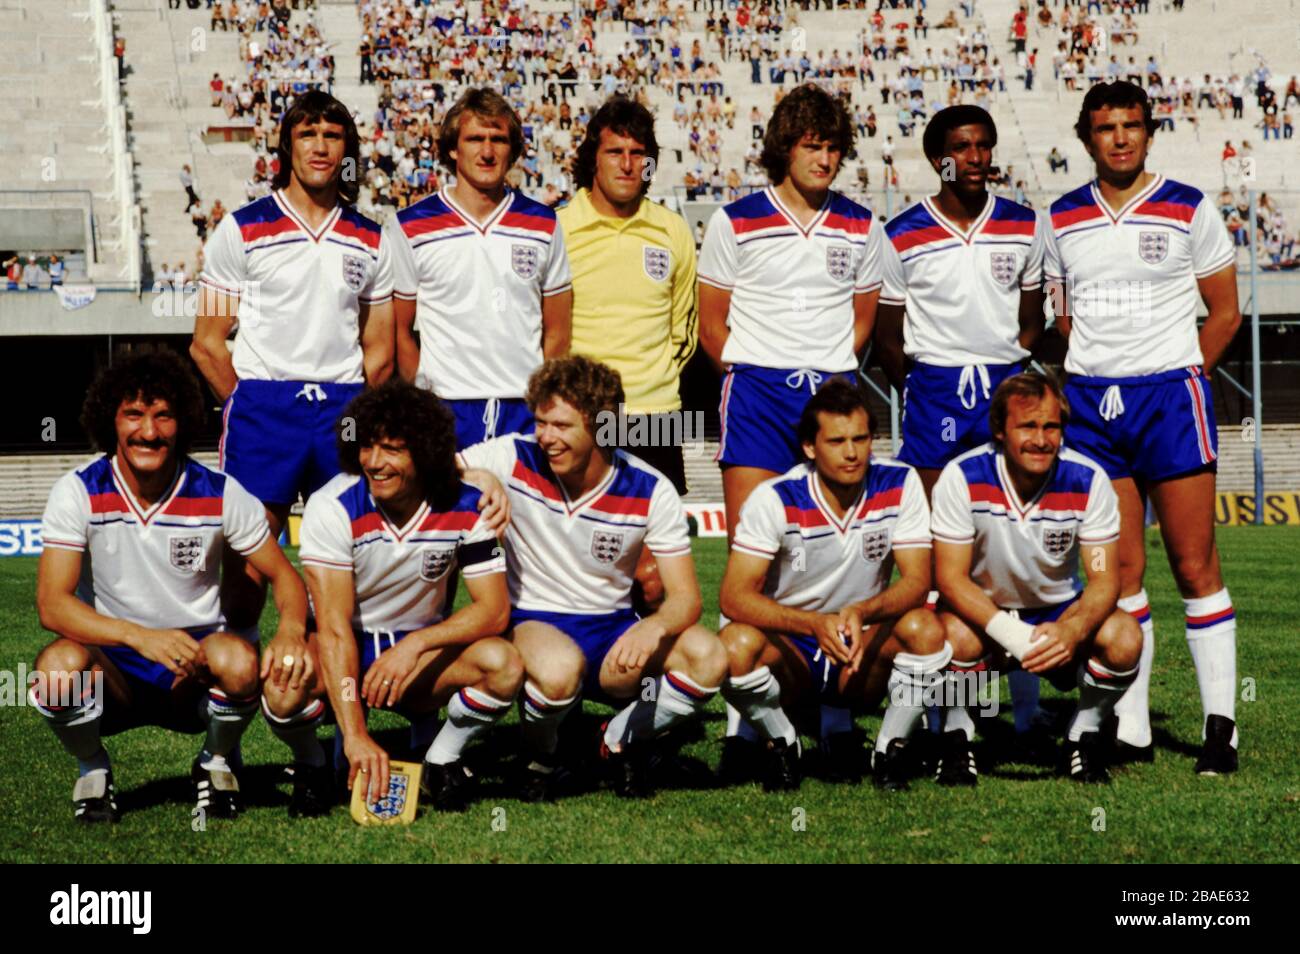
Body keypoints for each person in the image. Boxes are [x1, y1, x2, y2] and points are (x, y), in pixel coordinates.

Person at [1043, 81, 1242, 774]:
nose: (1120, 137)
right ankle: (1131, 727)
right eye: (1106, 127)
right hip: (1094, 407)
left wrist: (1181, 372)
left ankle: (1222, 729)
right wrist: (1099, 372)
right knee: (1121, 571)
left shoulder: (1189, 206)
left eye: (1131, 125)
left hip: (1170, 401)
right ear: (1087, 137)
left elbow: (1224, 312)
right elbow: (1062, 318)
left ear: (1149, 133)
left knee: (1194, 565)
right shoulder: (1061, 217)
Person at [32, 351, 309, 823]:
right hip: (115, 666)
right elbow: (52, 606)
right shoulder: (78, 490)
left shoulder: (219, 492)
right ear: (110, 419)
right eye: (134, 415)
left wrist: (291, 629)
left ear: (183, 421)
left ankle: (215, 762)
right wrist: (139, 636)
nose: (149, 431)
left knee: (240, 661)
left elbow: (285, 576)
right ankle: (92, 769)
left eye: (164, 415)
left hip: (194, 668)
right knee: (56, 671)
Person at [698, 84, 884, 771]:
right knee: (755, 556)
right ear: (784, 147)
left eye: (834, 148)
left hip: (831, 394)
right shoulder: (735, 220)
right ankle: (743, 729)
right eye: (812, 145)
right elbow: (711, 325)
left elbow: (864, 320)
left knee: (835, 556)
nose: (824, 159)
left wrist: (829, 375)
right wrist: (757, 374)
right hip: (757, 392)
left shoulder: (862, 225)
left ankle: (834, 716)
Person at [457, 356, 728, 800]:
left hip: (612, 631)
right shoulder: (512, 454)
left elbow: (686, 599)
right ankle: (540, 759)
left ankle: (613, 738)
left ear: (604, 426)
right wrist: (477, 474)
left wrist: (653, 627)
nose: (546, 437)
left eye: (561, 426)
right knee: (559, 670)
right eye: (541, 422)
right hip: (534, 623)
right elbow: (432, 466)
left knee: (708, 656)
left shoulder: (650, 487)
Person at [191, 90, 395, 642]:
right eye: (308, 135)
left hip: (343, 408)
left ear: (347, 149)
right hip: (265, 407)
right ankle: (238, 675)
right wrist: (247, 400)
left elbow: (380, 347)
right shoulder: (239, 229)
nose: (321, 147)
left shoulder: (373, 238)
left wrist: (359, 407)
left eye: (332, 136)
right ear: (287, 146)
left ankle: (330, 682)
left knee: (349, 554)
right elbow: (207, 342)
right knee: (249, 561)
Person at [263, 381, 521, 815]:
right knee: (282, 684)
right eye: (367, 447)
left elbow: (494, 611)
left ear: (425, 451)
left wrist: (415, 645)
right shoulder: (333, 506)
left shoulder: (469, 505)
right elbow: (333, 628)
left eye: (392, 449)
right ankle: (312, 764)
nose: (375, 463)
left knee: (504, 664)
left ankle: (441, 758)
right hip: (347, 645)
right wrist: (358, 735)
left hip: (416, 658)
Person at [873, 105, 1047, 738]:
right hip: (936, 393)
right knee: (933, 552)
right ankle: (953, 712)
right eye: (961, 148)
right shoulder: (901, 232)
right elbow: (887, 338)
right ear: (937, 159)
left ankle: (1024, 706)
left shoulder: (1027, 225)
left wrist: (1007, 367)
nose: (975, 158)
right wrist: (924, 386)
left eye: (983, 146)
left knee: (1012, 544)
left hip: (1006, 383)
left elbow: (1032, 322)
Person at [718, 380, 946, 791]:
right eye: (837, 440)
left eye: (861, 438)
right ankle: (783, 743)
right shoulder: (774, 497)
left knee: (926, 630)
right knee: (734, 647)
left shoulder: (900, 482)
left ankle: (889, 750)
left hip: (859, 643)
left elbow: (917, 582)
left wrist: (861, 612)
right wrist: (812, 624)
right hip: (793, 647)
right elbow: (734, 597)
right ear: (809, 447)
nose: (852, 452)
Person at [931, 372, 1142, 783]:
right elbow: (951, 579)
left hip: (1057, 612)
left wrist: (1074, 630)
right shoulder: (961, 477)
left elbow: (1103, 579)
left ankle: (1082, 737)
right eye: (1027, 426)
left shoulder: (1089, 479)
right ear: (998, 430)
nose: (1041, 439)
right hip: (985, 613)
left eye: (1051, 426)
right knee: (952, 637)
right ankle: (959, 738)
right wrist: (1015, 639)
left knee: (1125, 638)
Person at [558, 98, 698, 613]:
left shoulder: (673, 230)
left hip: (655, 415)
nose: (627, 163)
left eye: (639, 153)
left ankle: (653, 685)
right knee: (576, 561)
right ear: (592, 157)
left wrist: (651, 383)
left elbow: (684, 331)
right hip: (580, 419)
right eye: (614, 151)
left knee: (655, 571)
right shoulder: (558, 228)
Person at [389, 88, 572, 450]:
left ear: (513, 149)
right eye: (475, 139)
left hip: (523, 405)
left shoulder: (543, 223)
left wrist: (542, 398)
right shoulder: (410, 225)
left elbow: (558, 331)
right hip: (445, 408)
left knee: (522, 509)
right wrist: (425, 396)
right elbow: (398, 331)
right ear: (454, 148)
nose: (487, 152)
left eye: (498, 140)